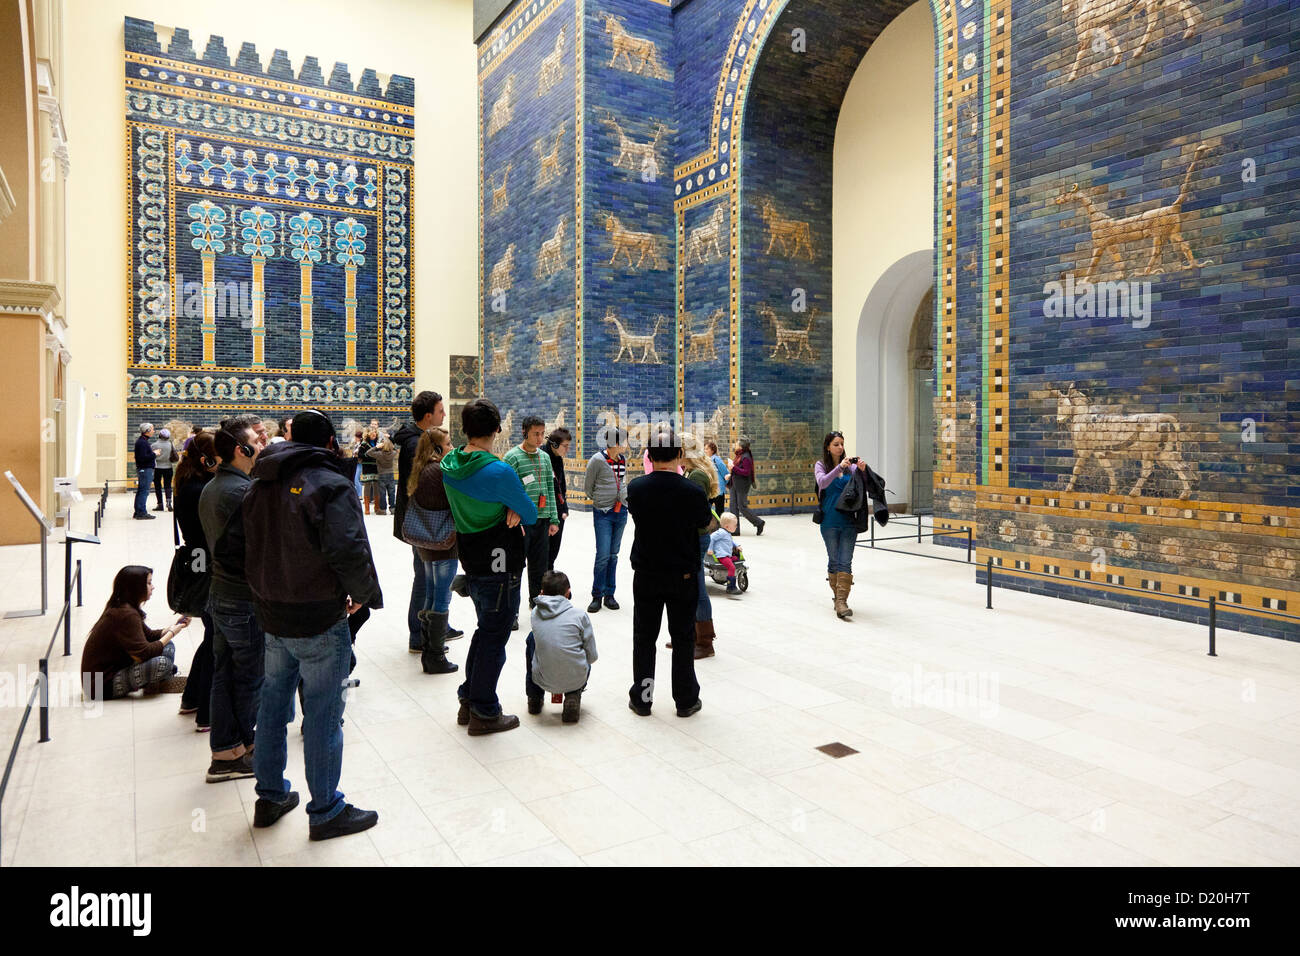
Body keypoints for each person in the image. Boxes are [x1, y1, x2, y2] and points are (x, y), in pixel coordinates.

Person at [231, 409, 383, 840]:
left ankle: (271, 795)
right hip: (317, 613)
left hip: (272, 613)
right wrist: (364, 595)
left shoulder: (260, 482)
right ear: (330, 443)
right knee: (322, 712)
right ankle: (326, 810)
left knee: (273, 704)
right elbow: (349, 549)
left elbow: (237, 544)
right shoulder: (330, 485)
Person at [440, 398, 538, 735]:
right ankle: (484, 710)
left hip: (472, 555)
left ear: (464, 429)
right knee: (495, 637)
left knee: (485, 631)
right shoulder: (498, 470)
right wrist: (510, 509)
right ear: (497, 429)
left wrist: (508, 506)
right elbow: (529, 513)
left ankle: (468, 699)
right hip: (501, 561)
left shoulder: (450, 463)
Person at [626, 425, 712, 718]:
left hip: (647, 574)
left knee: (645, 638)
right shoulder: (692, 491)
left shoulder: (636, 489)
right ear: (678, 454)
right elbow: (704, 522)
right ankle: (685, 700)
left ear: (649, 454)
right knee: (684, 637)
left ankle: (643, 698)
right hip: (682, 576)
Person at [201, 417, 265, 782]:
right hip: (241, 600)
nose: (261, 444)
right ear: (241, 450)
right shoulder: (240, 493)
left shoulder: (218, 486)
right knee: (247, 677)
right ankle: (235, 749)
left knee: (226, 674)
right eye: (255, 441)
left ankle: (226, 748)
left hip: (222, 594)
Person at [81, 566, 191, 699]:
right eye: (149, 583)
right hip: (98, 687)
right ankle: (158, 681)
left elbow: (148, 635)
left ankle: (156, 681)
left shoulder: (124, 607)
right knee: (162, 663)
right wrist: (172, 633)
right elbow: (145, 653)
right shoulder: (125, 614)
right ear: (136, 587)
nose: (153, 587)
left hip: (113, 671)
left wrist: (173, 627)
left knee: (168, 645)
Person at [171, 432, 218, 735]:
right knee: (216, 638)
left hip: (196, 559)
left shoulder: (188, 483)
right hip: (206, 564)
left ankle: (191, 698)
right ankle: (207, 712)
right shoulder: (201, 489)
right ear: (207, 459)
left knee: (212, 636)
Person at [393, 391, 446, 654]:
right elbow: (423, 485)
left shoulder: (419, 439)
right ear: (428, 416)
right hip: (423, 521)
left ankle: (435, 625)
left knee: (429, 576)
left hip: (422, 519)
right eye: (440, 411)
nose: (444, 415)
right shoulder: (417, 444)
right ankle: (418, 634)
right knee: (424, 577)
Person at [408, 426, 460, 675]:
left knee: (430, 594)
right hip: (443, 544)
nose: (452, 448)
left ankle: (429, 650)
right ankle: (435, 656)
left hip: (425, 544)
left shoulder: (421, 469)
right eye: (448, 444)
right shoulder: (439, 471)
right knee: (441, 597)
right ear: (437, 449)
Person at [504, 416, 560, 627]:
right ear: (524, 432)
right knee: (516, 567)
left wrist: (554, 519)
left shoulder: (545, 458)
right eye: (535, 433)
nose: (539, 438)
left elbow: (550, 490)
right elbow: (507, 493)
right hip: (522, 523)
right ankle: (512, 614)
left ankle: (537, 605)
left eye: (542, 433)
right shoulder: (512, 457)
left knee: (540, 567)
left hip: (543, 520)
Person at [525, 570, 597, 724]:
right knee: (583, 650)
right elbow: (592, 657)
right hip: (575, 678)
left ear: (542, 593)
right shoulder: (580, 616)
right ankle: (573, 696)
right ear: (568, 593)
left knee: (532, 639)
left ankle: (534, 697)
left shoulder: (535, 614)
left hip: (542, 678)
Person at [680, 433, 721, 658]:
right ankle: (690, 635)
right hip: (692, 534)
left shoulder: (697, 475)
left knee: (697, 588)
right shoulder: (691, 471)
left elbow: (691, 510)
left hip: (696, 535)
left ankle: (705, 641)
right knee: (690, 588)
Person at [582, 428, 629, 614]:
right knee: (602, 554)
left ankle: (610, 594)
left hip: (621, 511)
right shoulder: (597, 460)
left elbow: (622, 481)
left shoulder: (622, 460)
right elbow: (588, 487)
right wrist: (601, 500)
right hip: (603, 512)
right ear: (615, 444)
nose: (626, 445)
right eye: (624, 442)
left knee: (613, 554)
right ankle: (597, 595)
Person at [815, 431, 859, 620]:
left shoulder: (852, 468)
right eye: (836, 444)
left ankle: (842, 601)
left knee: (845, 561)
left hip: (849, 520)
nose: (840, 448)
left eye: (842, 444)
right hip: (829, 521)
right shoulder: (821, 465)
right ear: (828, 447)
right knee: (834, 560)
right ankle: (836, 597)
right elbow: (822, 483)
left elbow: (862, 484)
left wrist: (863, 470)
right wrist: (838, 468)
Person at [543, 427, 571, 570]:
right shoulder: (542, 456)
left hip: (559, 511)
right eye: (565, 446)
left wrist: (564, 508)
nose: (567, 450)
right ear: (554, 445)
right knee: (543, 555)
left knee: (554, 551)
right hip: (545, 511)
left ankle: (549, 577)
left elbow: (562, 485)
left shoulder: (558, 459)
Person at [728, 437, 764, 535]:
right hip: (734, 483)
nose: (735, 445)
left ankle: (759, 522)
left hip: (742, 485)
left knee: (742, 507)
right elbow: (737, 470)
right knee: (733, 506)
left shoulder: (746, 457)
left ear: (741, 446)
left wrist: (733, 468)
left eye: (737, 443)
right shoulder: (739, 455)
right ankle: (734, 530)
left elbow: (746, 472)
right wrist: (730, 473)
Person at [709, 513, 743, 595]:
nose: (736, 526)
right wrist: (710, 549)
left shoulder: (727, 533)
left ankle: (731, 584)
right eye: (735, 525)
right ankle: (731, 587)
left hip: (726, 555)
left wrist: (737, 545)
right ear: (727, 527)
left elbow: (731, 541)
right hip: (722, 555)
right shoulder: (721, 533)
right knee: (732, 567)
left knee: (735, 559)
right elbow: (711, 537)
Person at [367, 430, 398, 516]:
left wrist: (377, 447)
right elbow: (396, 449)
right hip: (391, 474)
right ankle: (392, 509)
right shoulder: (393, 453)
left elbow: (368, 452)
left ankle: (383, 510)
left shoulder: (379, 454)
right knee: (391, 492)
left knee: (382, 493)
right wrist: (390, 442)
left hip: (381, 474)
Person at [133, 422, 157, 519]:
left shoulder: (142, 441)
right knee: (144, 491)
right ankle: (141, 512)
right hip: (145, 469)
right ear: (147, 431)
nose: (153, 431)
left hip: (144, 469)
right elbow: (142, 458)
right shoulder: (142, 442)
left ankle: (138, 511)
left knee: (141, 491)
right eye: (152, 429)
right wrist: (154, 454)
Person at [151, 428, 178, 511]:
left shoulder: (154, 445)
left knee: (158, 486)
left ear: (160, 435)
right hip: (168, 467)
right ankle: (169, 503)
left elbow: (151, 456)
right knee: (168, 485)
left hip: (157, 468)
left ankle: (160, 504)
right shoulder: (170, 444)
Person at [357, 425, 379, 514]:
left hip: (376, 467)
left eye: (375, 432)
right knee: (367, 486)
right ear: (368, 434)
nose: (374, 434)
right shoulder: (364, 444)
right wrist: (369, 455)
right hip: (367, 467)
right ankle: (367, 509)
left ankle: (377, 508)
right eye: (372, 432)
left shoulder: (378, 443)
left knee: (376, 486)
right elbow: (360, 455)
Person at [706, 440, 728, 515]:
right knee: (706, 509)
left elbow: (725, 472)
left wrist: (726, 483)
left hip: (719, 490)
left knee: (719, 511)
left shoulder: (716, 459)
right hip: (710, 489)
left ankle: (720, 526)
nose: (705, 451)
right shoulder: (706, 460)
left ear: (712, 450)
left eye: (707, 449)